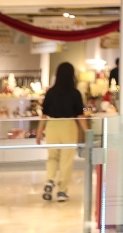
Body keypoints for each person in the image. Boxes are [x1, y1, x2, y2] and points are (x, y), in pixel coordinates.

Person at [36, 62, 88, 202]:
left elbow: (44, 114)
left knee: (52, 157)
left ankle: (49, 180)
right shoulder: (75, 93)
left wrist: (39, 131)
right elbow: (80, 117)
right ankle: (62, 192)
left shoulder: (50, 92)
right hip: (68, 126)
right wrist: (87, 133)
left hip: (52, 125)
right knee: (66, 160)